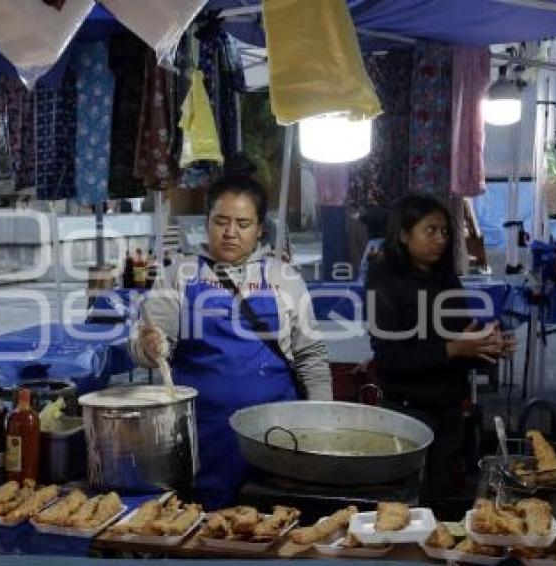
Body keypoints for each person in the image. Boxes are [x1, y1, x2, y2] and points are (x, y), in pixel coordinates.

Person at [130, 172, 332, 509]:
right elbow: (146, 348)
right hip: (202, 436)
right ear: (206, 222)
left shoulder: (284, 278)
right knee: (205, 529)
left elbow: (310, 356)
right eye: (220, 221)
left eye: (242, 223)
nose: (230, 232)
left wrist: (323, 423)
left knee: (272, 526)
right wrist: (150, 347)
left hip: (277, 435)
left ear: (259, 229)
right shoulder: (179, 274)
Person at [365, 194, 514, 504]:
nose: (440, 239)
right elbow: (389, 359)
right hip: (407, 413)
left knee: (444, 502)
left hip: (449, 412)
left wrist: (486, 347)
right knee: (407, 506)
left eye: (445, 231)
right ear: (404, 235)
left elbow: (461, 339)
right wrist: (453, 349)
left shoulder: (446, 279)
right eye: (430, 230)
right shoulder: (384, 282)